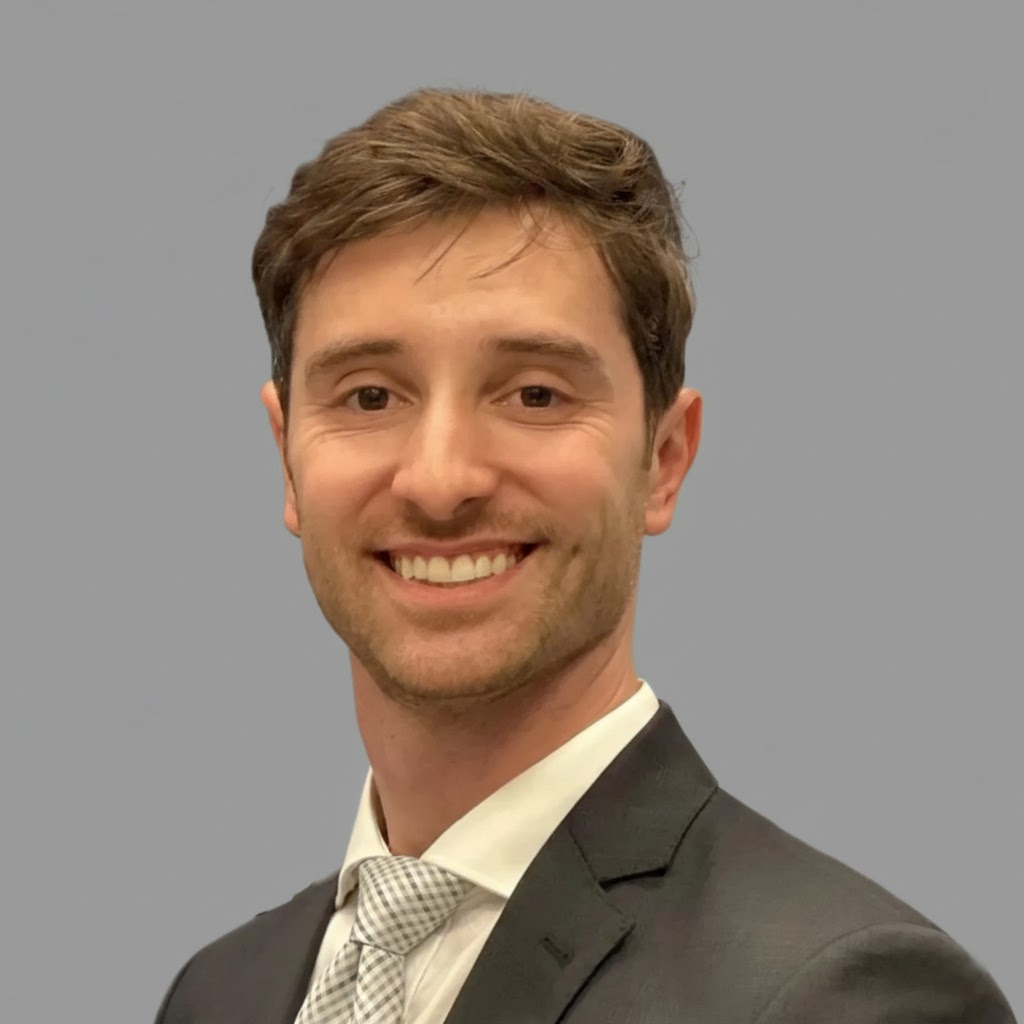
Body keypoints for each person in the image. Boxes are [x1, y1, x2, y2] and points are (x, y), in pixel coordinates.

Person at [154, 88, 1016, 1023]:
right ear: (287, 455)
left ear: (662, 460)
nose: (440, 480)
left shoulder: (840, 998)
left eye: (532, 394)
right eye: (369, 397)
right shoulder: (221, 995)